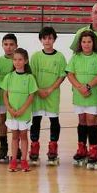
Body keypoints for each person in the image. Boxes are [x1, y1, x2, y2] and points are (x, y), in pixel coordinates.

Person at [66, 30, 97, 170]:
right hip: (79, 95)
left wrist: (88, 86)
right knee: (82, 120)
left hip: (92, 95)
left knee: (91, 121)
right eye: (84, 42)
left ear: (94, 43)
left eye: (89, 41)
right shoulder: (75, 57)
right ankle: (82, 148)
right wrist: (79, 87)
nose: (86, 44)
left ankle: (94, 150)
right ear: (80, 43)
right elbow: (70, 74)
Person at [29, 27, 67, 166]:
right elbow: (31, 76)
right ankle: (34, 149)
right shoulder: (35, 57)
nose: (47, 41)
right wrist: (38, 90)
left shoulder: (60, 57)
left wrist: (50, 89)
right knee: (36, 121)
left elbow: (62, 76)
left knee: (54, 121)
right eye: (44, 38)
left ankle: (53, 150)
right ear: (41, 40)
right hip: (38, 94)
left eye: (50, 38)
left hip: (52, 94)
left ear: (54, 39)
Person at [1, 48, 38, 173]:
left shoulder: (29, 78)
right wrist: (9, 109)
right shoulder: (9, 77)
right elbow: (5, 95)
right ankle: (13, 160)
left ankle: (23, 160)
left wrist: (22, 110)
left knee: (23, 136)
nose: (17, 62)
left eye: (20, 59)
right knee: (14, 136)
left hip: (24, 114)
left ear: (26, 61)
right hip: (12, 114)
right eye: (15, 59)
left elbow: (31, 96)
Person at [0, 33, 17, 163]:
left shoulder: (19, 60)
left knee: (15, 122)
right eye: (6, 44)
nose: (8, 47)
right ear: (2, 45)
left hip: (16, 98)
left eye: (11, 44)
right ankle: (3, 146)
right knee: (3, 120)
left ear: (16, 46)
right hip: (3, 98)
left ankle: (16, 148)